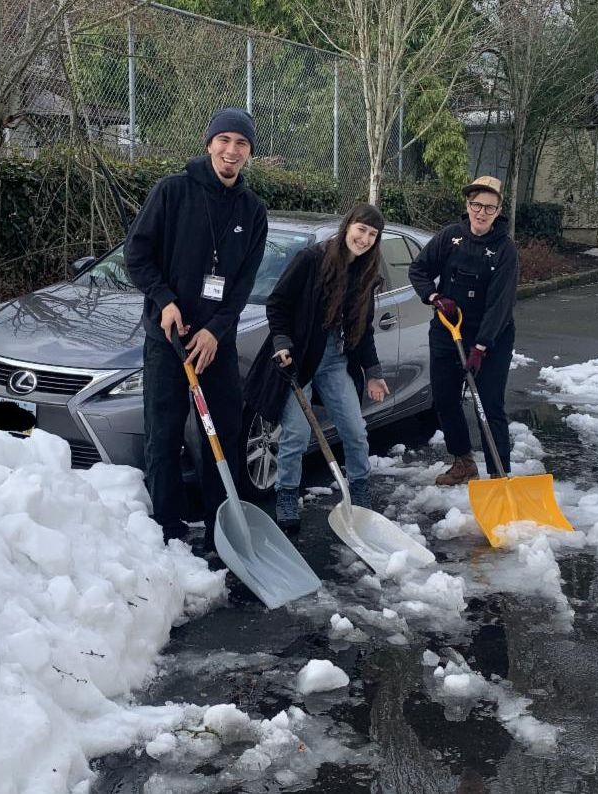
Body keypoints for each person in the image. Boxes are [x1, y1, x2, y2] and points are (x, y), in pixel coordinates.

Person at [124, 107, 269, 553]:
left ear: (248, 154)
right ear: (209, 144)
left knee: (221, 434)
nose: (231, 151)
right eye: (224, 140)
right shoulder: (172, 192)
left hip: (214, 344)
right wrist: (164, 300)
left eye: (241, 144)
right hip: (167, 339)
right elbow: (137, 255)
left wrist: (216, 332)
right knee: (163, 434)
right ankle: (167, 529)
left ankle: (220, 527)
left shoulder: (253, 211)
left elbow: (242, 286)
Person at [243, 204, 390, 531]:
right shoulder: (311, 260)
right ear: (348, 225)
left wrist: (375, 373)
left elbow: (362, 330)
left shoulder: (366, 274)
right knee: (296, 433)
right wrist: (281, 341)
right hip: (298, 360)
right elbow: (277, 303)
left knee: (354, 429)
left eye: (371, 234)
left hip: (336, 361)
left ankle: (360, 492)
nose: (364, 238)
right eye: (360, 229)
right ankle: (286, 494)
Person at [408, 176, 519, 486]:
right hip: (447, 329)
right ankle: (463, 462)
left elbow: (500, 304)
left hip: (491, 338)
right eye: (476, 205)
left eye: (489, 207)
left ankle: (499, 474)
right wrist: (433, 296)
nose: (481, 213)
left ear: (498, 211)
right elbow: (419, 269)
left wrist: (481, 347)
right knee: (444, 398)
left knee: (489, 403)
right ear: (467, 205)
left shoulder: (505, 250)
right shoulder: (450, 237)